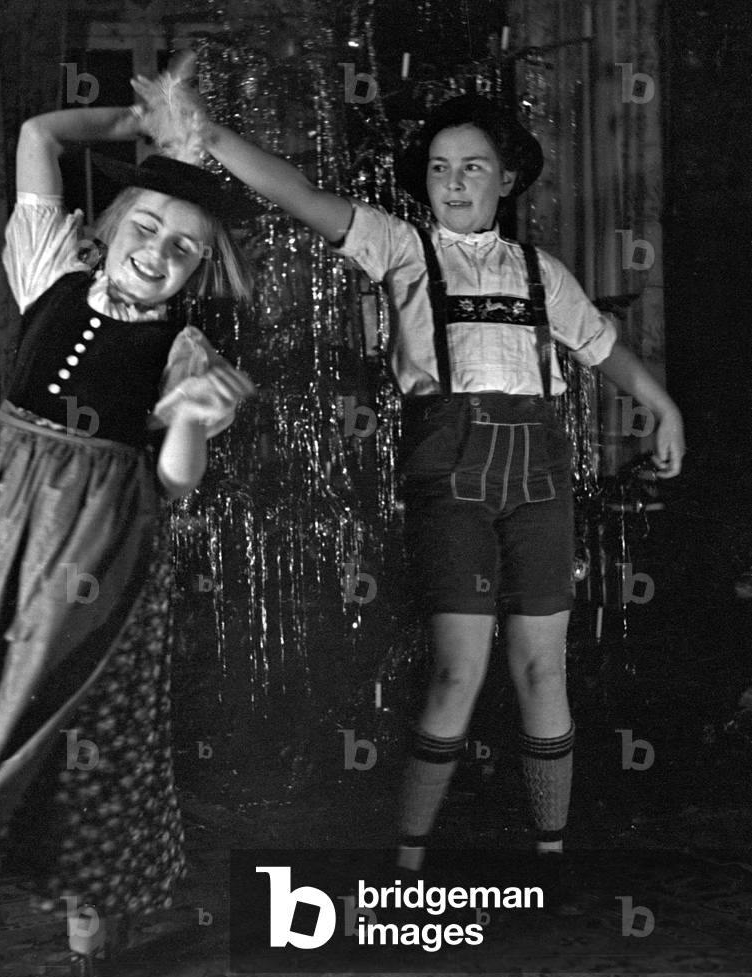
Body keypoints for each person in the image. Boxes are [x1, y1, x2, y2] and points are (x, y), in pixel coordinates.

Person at [137, 76, 685, 867]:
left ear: (508, 177)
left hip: (539, 481)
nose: (454, 181)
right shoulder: (403, 247)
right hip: (450, 479)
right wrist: (209, 133)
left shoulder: (543, 274)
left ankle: (551, 855)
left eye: (472, 166)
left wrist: (662, 407)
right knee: (456, 674)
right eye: (438, 167)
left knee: (541, 667)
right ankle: (408, 857)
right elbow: (299, 194)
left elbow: (604, 350)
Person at [0, 68, 256, 977]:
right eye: (147, 229)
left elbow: (173, 478)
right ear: (110, 226)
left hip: (99, 549)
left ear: (199, 272)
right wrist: (144, 123)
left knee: (88, 731)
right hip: (2, 531)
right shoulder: (49, 274)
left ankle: (90, 949)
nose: (159, 255)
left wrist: (194, 422)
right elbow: (39, 132)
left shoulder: (183, 350)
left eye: (185, 251)